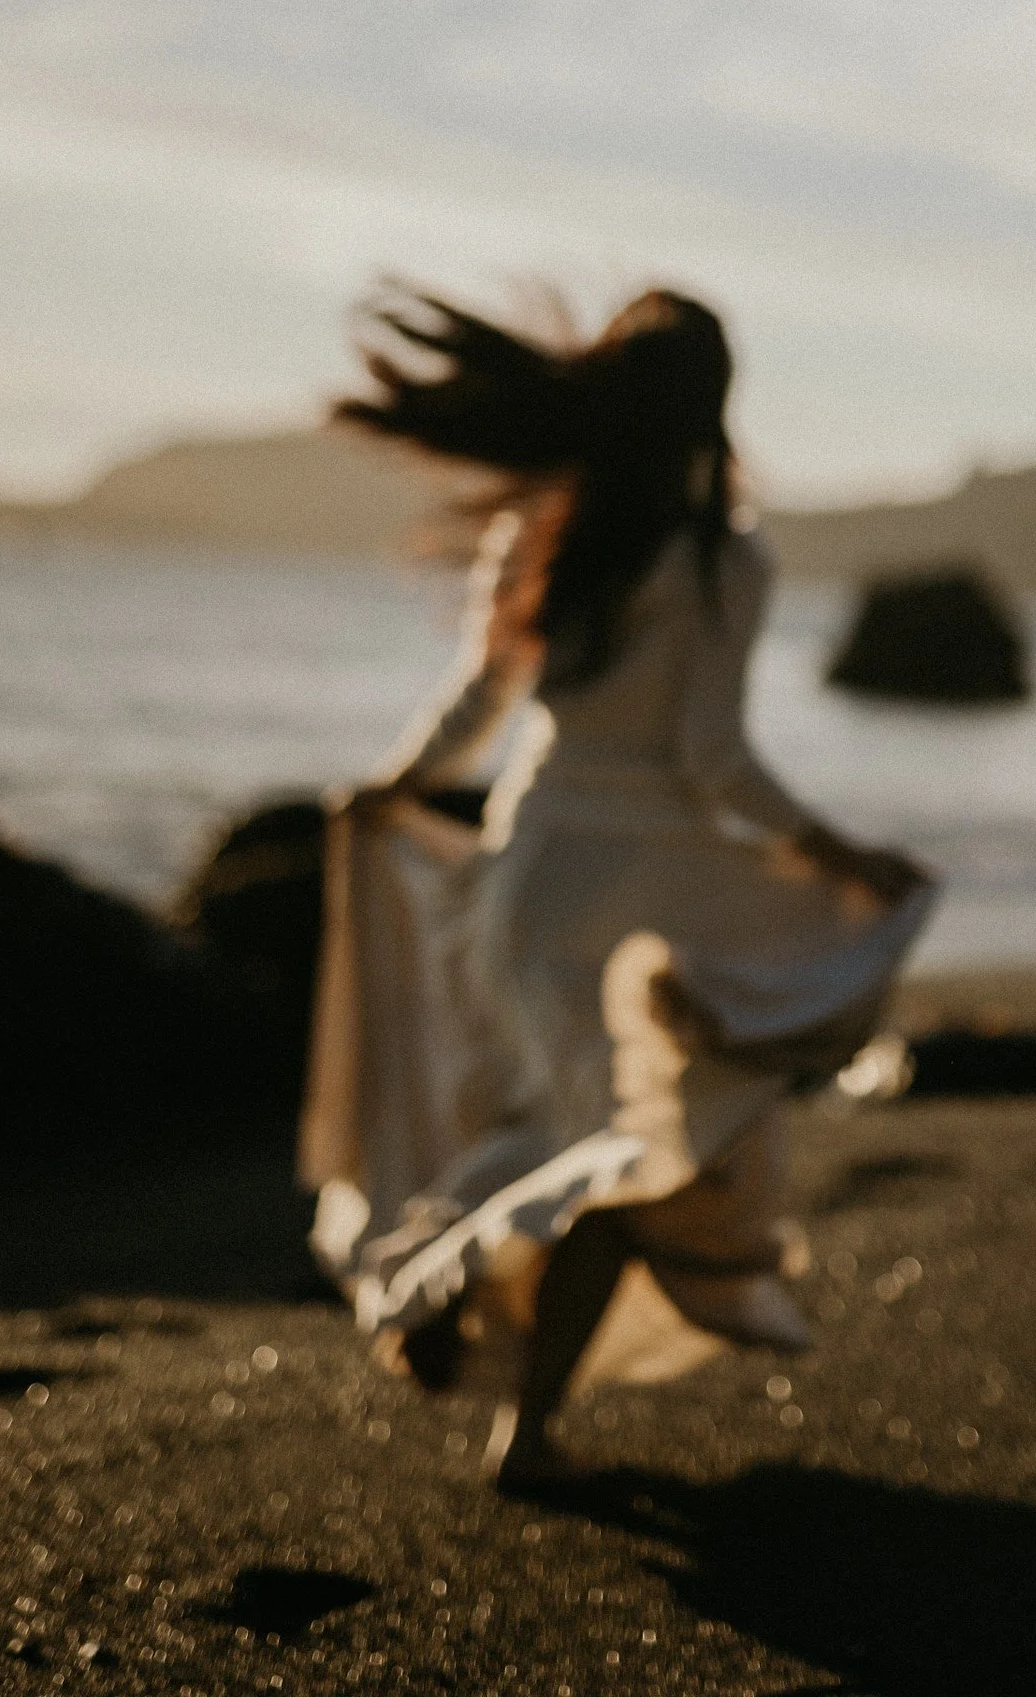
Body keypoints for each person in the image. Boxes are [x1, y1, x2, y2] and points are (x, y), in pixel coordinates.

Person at [298, 285, 936, 1488]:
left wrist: (390, 787)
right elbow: (714, 760)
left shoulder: (550, 532)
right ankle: (503, 1393)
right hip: (652, 891)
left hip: (529, 872)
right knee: (627, 1159)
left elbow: (479, 702)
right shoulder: (725, 562)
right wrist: (842, 855)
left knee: (556, 1133)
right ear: (715, 410)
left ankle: (459, 1300)